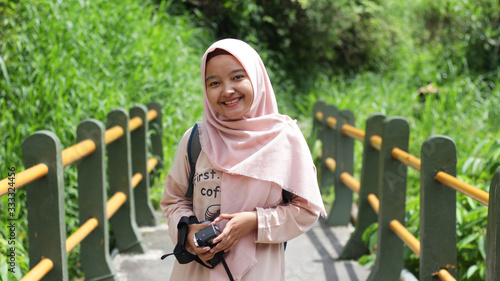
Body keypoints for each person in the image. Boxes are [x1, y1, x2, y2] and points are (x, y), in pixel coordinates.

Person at [160, 38, 326, 281]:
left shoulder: (284, 139)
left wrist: (254, 221)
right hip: (197, 272)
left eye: (238, 77)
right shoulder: (196, 139)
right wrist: (187, 232)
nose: (227, 90)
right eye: (214, 82)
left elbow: (306, 209)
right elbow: (173, 201)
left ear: (256, 78)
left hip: (259, 271)